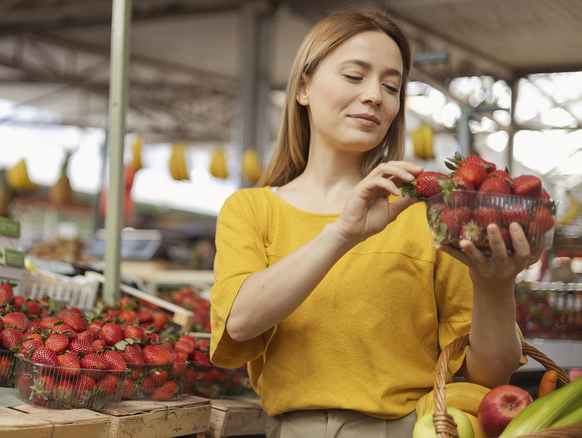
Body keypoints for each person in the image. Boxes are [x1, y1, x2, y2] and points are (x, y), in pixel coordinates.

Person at [209, 10, 532, 437]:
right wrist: (343, 233)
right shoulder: (250, 209)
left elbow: (490, 378)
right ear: (303, 86)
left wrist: (496, 288)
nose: (375, 96)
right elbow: (240, 321)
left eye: (391, 85)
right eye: (355, 76)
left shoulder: (428, 211)